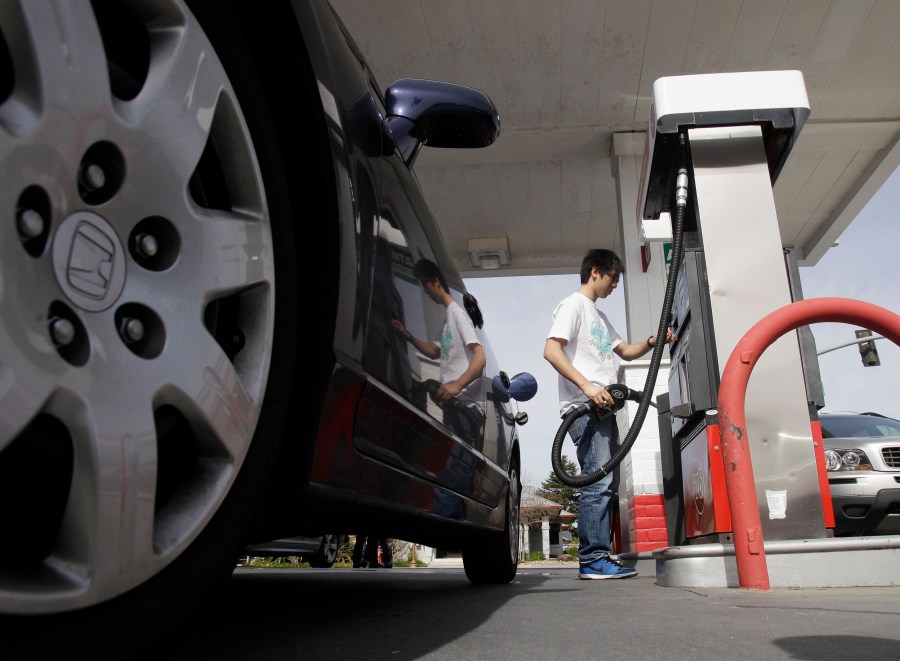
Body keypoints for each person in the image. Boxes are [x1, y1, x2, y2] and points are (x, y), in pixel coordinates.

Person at [543, 248, 675, 580]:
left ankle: (599, 556)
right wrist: (587, 386)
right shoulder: (572, 306)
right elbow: (551, 350)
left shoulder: (599, 318)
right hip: (584, 409)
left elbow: (626, 352)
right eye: (614, 278)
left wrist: (651, 340)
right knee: (597, 482)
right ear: (596, 272)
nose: (615, 285)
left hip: (605, 408)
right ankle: (592, 559)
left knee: (607, 482)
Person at [392, 259, 486, 446]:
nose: (425, 291)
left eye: (425, 285)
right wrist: (407, 335)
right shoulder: (447, 321)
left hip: (466, 409)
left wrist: (458, 384)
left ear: (436, 281)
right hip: (453, 406)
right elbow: (434, 351)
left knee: (457, 470)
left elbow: (480, 356)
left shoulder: (458, 314)